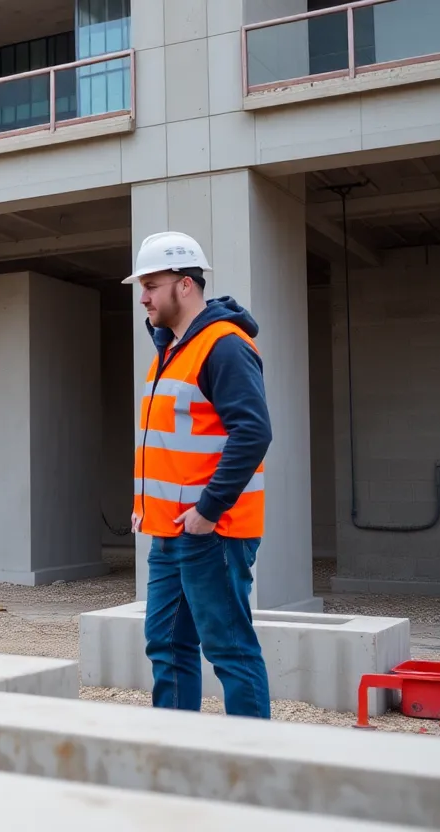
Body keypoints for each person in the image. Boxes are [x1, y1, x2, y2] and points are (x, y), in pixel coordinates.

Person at [125, 231, 273, 719]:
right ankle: (175, 761)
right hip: (169, 531)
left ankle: (254, 772)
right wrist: (144, 507)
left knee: (230, 651)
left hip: (212, 531)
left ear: (184, 284)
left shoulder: (224, 347)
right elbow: (167, 442)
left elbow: (252, 434)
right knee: (166, 650)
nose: (142, 296)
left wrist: (208, 511)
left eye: (150, 284)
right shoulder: (172, 349)